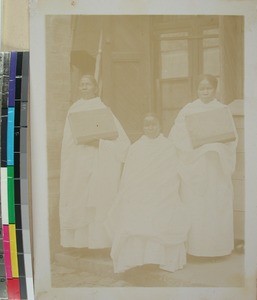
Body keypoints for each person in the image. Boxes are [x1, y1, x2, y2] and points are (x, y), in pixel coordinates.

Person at [106, 114, 190, 273]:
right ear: (143, 128)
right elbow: (130, 172)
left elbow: (173, 169)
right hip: (142, 189)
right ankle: (137, 258)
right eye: (147, 125)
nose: (151, 128)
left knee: (161, 214)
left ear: (160, 126)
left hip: (162, 190)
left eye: (154, 125)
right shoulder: (136, 147)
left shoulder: (168, 146)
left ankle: (157, 257)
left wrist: (163, 185)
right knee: (137, 214)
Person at [169, 74, 238, 257]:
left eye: (209, 88)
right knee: (196, 205)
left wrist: (216, 145)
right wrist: (197, 144)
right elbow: (177, 134)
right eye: (202, 88)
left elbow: (232, 138)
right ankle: (195, 249)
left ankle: (218, 249)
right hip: (195, 163)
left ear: (215, 89)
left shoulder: (222, 109)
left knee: (215, 202)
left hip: (215, 164)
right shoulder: (188, 110)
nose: (205, 92)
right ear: (197, 90)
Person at [59, 75, 130, 249]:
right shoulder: (74, 109)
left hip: (98, 160)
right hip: (78, 162)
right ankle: (79, 244)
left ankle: (97, 244)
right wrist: (78, 143)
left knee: (96, 200)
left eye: (88, 84)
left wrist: (100, 143)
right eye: (81, 84)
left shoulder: (102, 108)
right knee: (79, 199)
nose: (84, 87)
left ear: (95, 88)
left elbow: (121, 141)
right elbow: (68, 140)